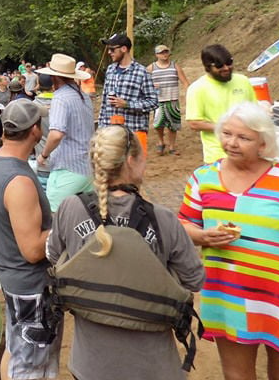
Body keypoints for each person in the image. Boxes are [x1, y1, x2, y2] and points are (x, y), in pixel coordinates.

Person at [47, 124, 205, 380]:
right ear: (131, 161)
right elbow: (194, 279)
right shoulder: (163, 220)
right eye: (142, 157)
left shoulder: (69, 209)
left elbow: (55, 259)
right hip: (153, 367)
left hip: (90, 365)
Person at [178, 102, 279, 380]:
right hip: (228, 294)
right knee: (237, 374)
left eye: (243, 137)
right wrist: (203, 236)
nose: (232, 143)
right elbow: (183, 224)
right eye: (227, 134)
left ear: (263, 143)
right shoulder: (203, 178)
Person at [0, 99, 60, 380]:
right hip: (31, 287)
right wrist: (66, 225)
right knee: (32, 365)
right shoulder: (19, 181)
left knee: (16, 352)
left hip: (11, 278)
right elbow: (33, 250)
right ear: (35, 130)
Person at [36, 53, 96, 211]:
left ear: (54, 78)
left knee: (55, 215)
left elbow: (56, 134)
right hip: (87, 167)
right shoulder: (83, 96)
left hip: (67, 168)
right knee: (87, 217)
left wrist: (43, 155)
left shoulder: (60, 98)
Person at [185, 43, 256, 163]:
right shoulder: (197, 88)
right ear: (207, 67)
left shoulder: (243, 81)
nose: (226, 68)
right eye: (219, 66)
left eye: (229, 63)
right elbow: (194, 123)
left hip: (248, 152)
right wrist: (228, 129)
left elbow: (254, 109)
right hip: (218, 155)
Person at [98, 33, 158, 152]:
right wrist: (100, 130)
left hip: (134, 133)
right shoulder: (110, 70)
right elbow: (104, 103)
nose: (109, 52)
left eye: (112, 49)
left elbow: (153, 102)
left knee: (133, 170)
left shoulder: (142, 72)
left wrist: (128, 104)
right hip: (111, 134)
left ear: (124, 49)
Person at [146, 44, 190, 156]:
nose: (164, 54)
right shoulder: (151, 68)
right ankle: (161, 142)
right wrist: (151, 87)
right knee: (158, 124)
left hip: (173, 99)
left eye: (166, 52)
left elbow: (185, 81)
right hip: (158, 100)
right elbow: (144, 83)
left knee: (173, 124)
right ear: (156, 55)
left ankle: (172, 147)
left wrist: (190, 93)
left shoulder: (175, 66)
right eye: (161, 52)